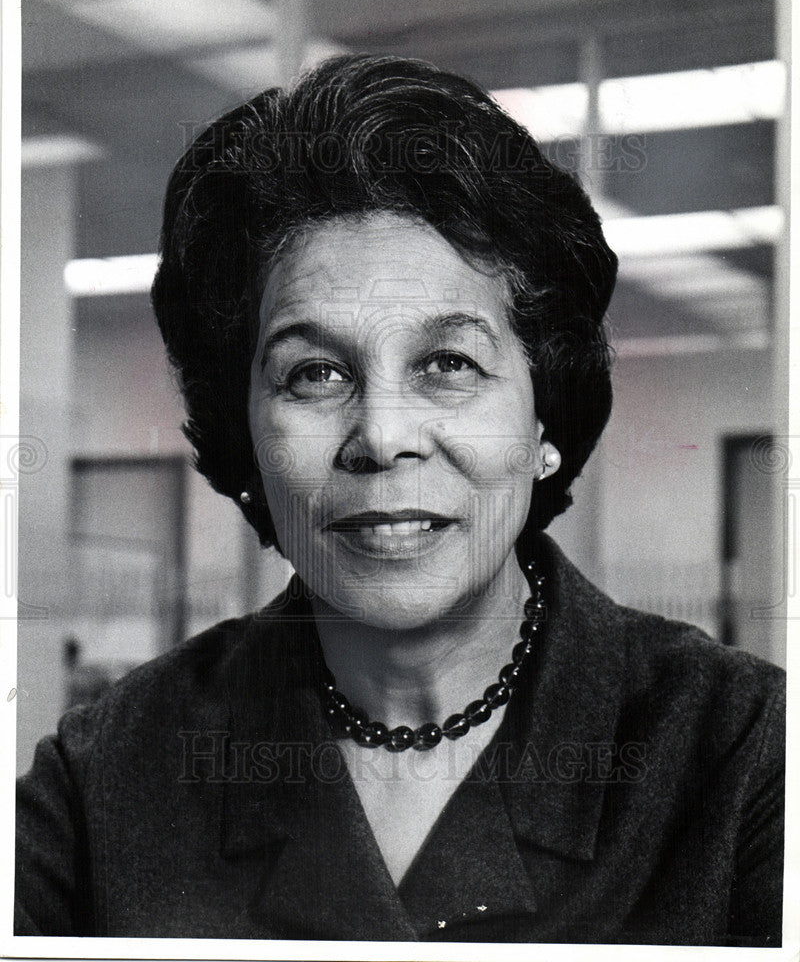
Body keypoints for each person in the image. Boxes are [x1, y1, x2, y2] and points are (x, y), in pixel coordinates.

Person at [15, 55, 784, 946]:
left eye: (448, 364)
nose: (381, 436)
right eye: (315, 373)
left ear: (546, 415)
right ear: (247, 440)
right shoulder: (102, 779)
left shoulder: (746, 754)